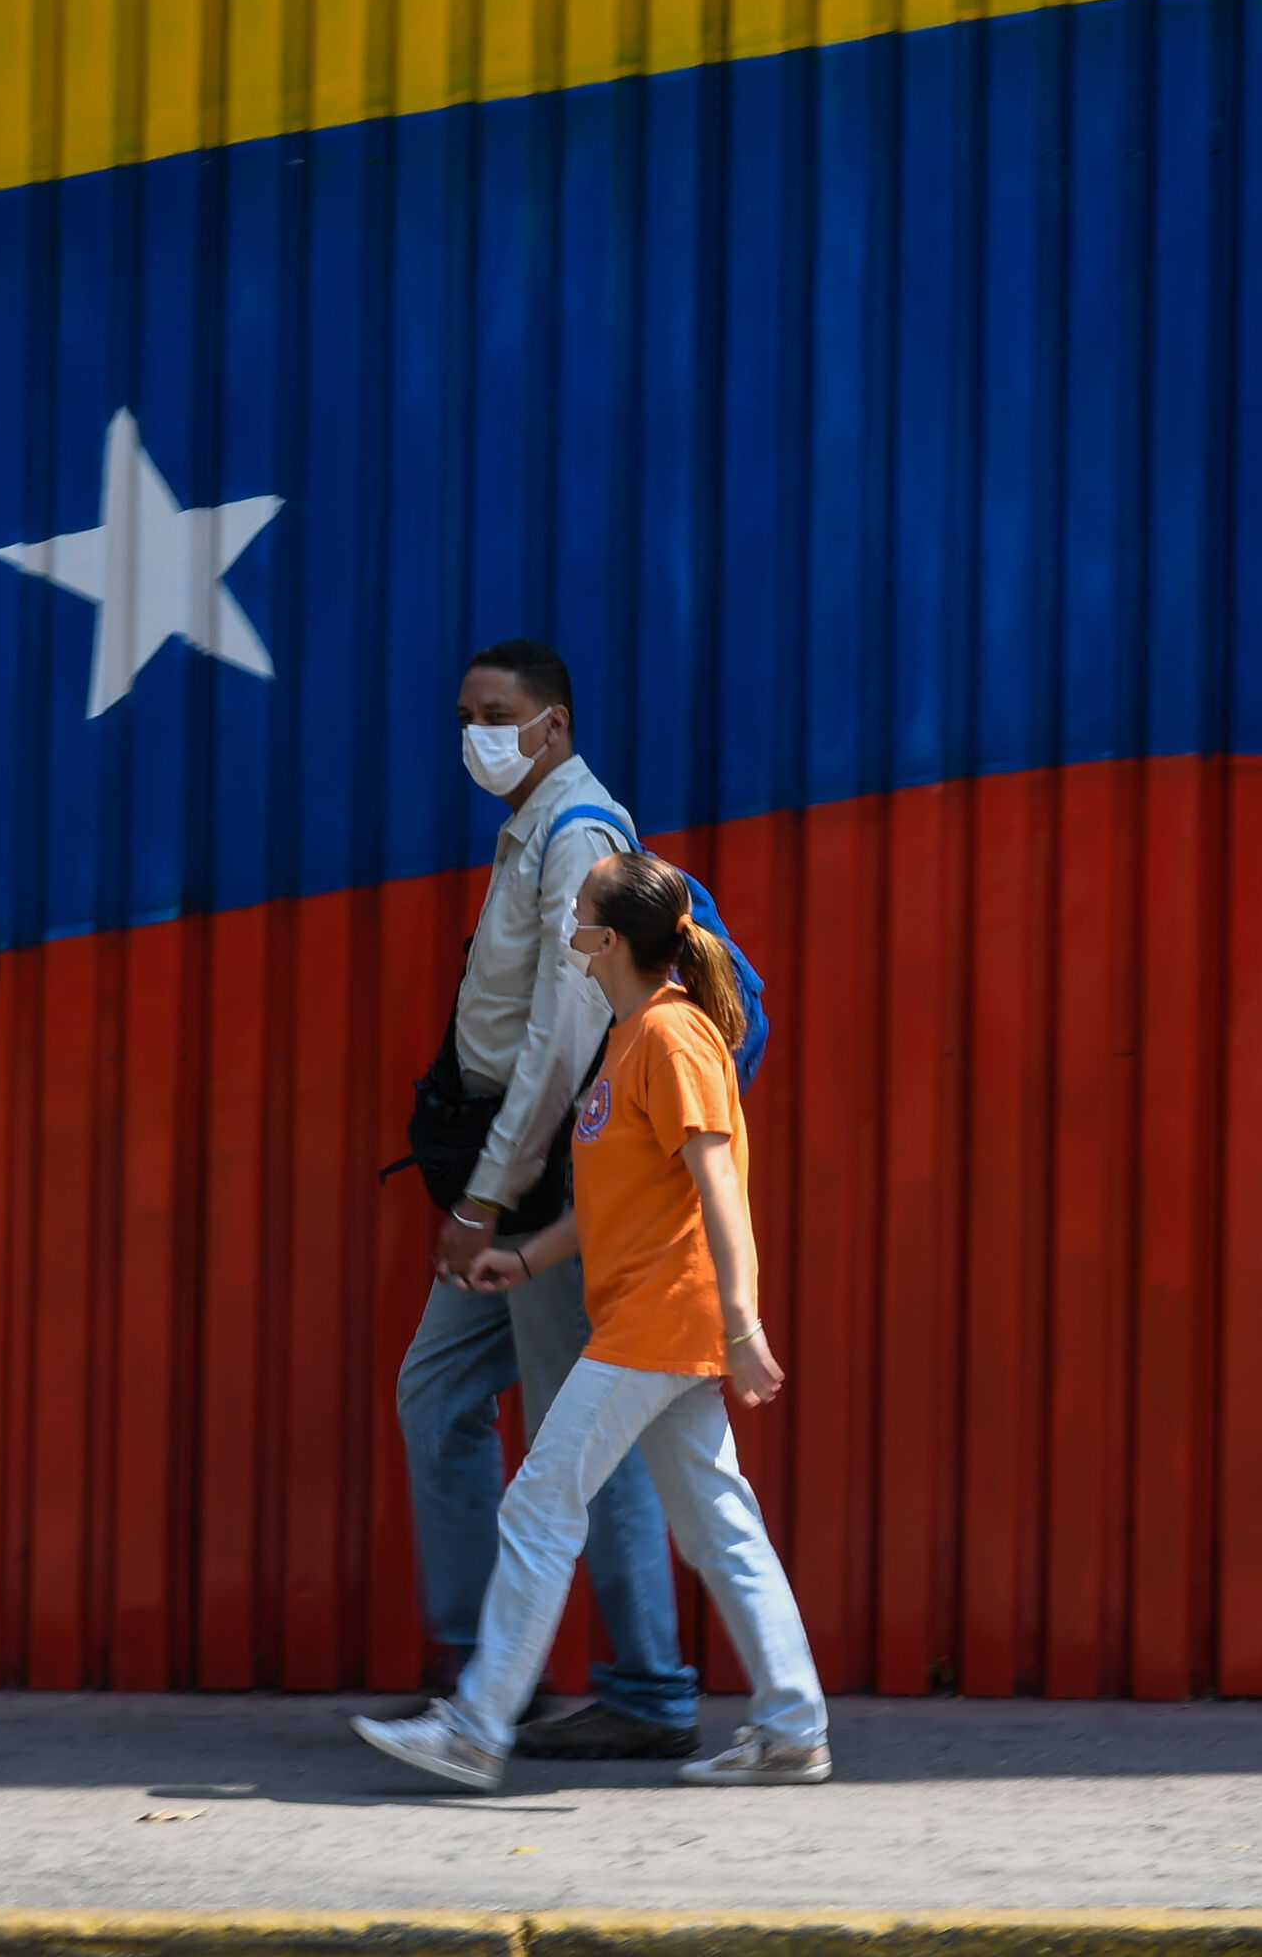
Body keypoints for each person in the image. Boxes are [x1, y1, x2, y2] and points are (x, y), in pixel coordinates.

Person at [356, 847, 832, 1790]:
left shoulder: (673, 1036)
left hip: (662, 1319)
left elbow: (719, 1187)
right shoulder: (631, 1036)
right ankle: (791, 1728)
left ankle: (476, 1728)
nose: (566, 926)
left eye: (578, 913)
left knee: (541, 1502)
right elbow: (621, 1196)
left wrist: (743, 1327)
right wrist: (526, 1259)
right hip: (652, 1319)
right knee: (720, 1523)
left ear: (607, 941)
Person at [388, 641, 702, 1758]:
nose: (476, 734)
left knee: (582, 1431)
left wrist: (487, 1196)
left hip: (542, 1176)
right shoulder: (530, 827)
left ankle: (648, 1688)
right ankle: (484, 1665)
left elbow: (561, 1040)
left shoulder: (578, 835)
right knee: (436, 1396)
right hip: (509, 1171)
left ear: (552, 725)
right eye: (465, 715)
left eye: (498, 714)